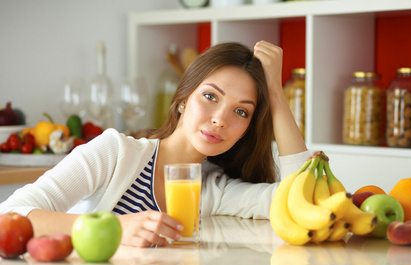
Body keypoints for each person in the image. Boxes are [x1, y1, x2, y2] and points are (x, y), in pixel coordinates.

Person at [0, 41, 309, 247]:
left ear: (247, 130)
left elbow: (301, 198)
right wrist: (113, 228)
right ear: (183, 100)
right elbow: (9, 215)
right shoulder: (114, 153)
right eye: (210, 96)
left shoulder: (213, 190)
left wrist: (276, 95)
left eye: (241, 111)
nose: (220, 119)